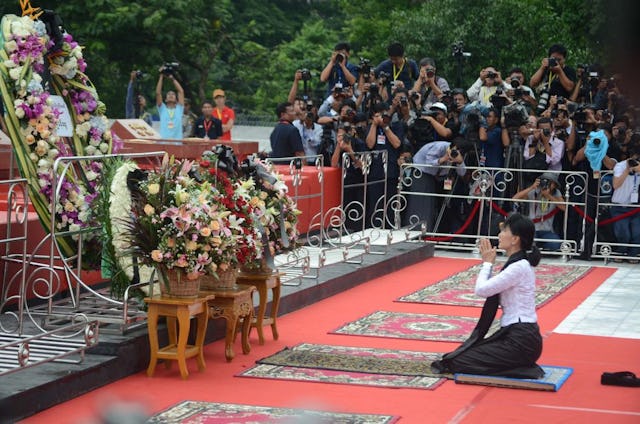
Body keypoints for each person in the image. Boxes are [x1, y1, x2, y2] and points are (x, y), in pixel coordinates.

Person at [431, 213, 544, 379]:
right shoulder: (518, 264)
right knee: (462, 356)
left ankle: (524, 370)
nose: (499, 235)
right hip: (517, 337)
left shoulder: (518, 267)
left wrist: (487, 263)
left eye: (504, 230)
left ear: (515, 239)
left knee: (457, 362)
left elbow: (482, 290)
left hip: (521, 340)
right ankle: (520, 365)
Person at [512, 172, 566, 251]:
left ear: (554, 185)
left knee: (555, 244)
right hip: (532, 228)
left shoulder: (556, 193)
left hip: (547, 230)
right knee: (528, 243)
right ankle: (535, 246)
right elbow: (514, 199)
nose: (546, 184)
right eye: (545, 181)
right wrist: (532, 187)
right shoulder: (534, 191)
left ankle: (542, 247)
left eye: (550, 183)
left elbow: (564, 207)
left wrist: (549, 196)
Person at [610, 144, 640, 263]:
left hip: (634, 207)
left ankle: (634, 253)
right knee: (623, 233)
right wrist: (627, 170)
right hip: (619, 205)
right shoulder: (620, 166)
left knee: (637, 232)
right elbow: (616, 185)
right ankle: (621, 252)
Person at [155, 68, 185, 140]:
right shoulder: (162, 109)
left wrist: (172, 79)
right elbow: (158, 93)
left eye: (173, 94)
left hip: (177, 142)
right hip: (164, 142)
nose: (171, 95)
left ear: (176, 99)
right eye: (168, 94)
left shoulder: (179, 108)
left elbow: (181, 91)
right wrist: (161, 76)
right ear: (165, 99)